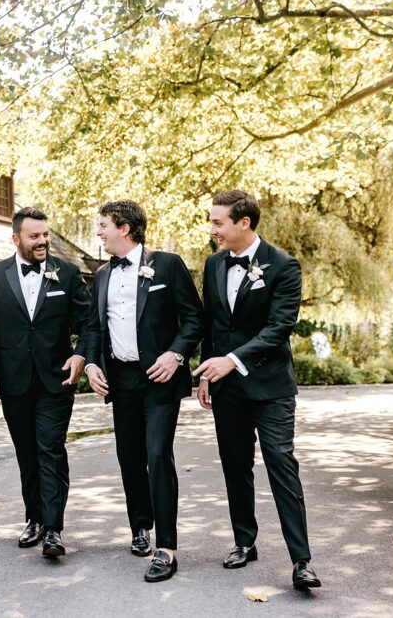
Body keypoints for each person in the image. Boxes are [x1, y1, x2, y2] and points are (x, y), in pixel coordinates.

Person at [194, 190, 321, 590]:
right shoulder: (213, 264)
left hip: (270, 387)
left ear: (243, 223)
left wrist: (232, 360)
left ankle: (301, 560)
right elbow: (211, 324)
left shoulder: (284, 266)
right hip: (225, 388)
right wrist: (205, 373)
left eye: (219, 222)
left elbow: (278, 328)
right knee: (235, 465)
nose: (212, 229)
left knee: (281, 464)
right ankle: (244, 542)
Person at [81, 201, 202, 582]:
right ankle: (140, 528)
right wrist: (92, 364)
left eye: (103, 226)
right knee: (129, 456)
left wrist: (176, 354)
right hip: (121, 380)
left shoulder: (166, 264)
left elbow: (195, 318)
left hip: (159, 378)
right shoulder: (101, 275)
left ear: (126, 228)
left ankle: (166, 548)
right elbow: (96, 328)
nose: (98, 232)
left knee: (157, 454)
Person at [0, 207, 91, 557]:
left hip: (56, 380)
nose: (42, 241)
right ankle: (34, 519)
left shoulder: (66, 273)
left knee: (50, 448)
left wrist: (81, 354)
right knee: (27, 452)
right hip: (14, 382)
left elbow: (88, 322)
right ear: (16, 239)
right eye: (34, 236)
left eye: (45, 234)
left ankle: (53, 529)